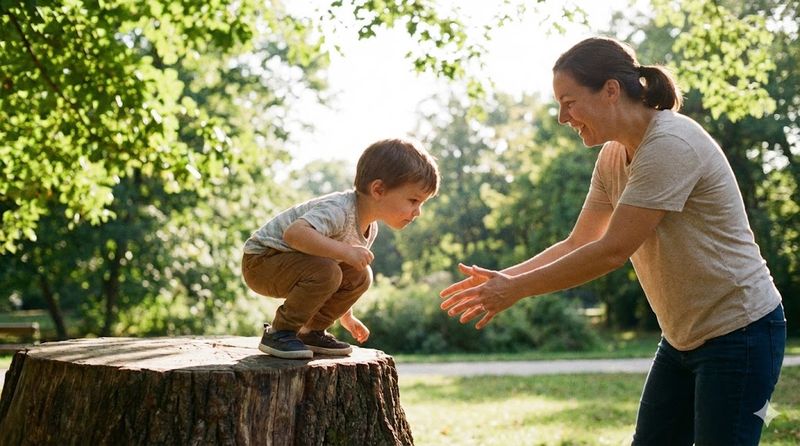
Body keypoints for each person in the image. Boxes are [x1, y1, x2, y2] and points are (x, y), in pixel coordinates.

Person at [439, 36, 785, 445]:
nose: (561, 118)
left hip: (740, 332)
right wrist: (504, 278)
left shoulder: (669, 144)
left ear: (610, 90)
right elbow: (578, 242)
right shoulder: (612, 156)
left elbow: (611, 252)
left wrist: (515, 290)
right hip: (681, 339)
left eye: (569, 102)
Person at [242, 138, 439, 359]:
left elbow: (339, 271)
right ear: (378, 189)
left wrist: (346, 316)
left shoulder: (369, 228)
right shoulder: (339, 209)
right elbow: (294, 234)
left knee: (360, 274)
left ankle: (311, 331)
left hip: (294, 264)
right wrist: (345, 252)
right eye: (413, 200)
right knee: (329, 270)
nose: (418, 211)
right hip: (261, 261)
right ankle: (280, 333)